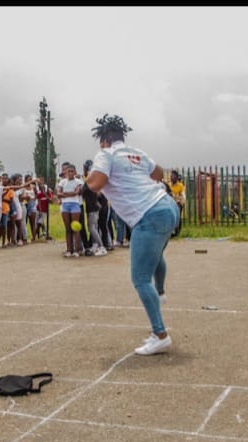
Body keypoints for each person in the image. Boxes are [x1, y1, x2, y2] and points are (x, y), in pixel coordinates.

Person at [85, 114, 179, 355]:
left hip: (149, 214)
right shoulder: (136, 152)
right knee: (155, 256)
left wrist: (86, 178)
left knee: (140, 279)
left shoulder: (106, 154)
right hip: (168, 206)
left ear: (104, 140)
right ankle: (160, 292)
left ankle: (160, 335)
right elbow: (158, 174)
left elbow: (95, 183)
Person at [56, 163, 84, 257]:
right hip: (65, 206)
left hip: (75, 205)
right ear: (66, 172)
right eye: (68, 171)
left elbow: (77, 192)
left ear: (74, 172)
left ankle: (76, 250)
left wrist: (64, 194)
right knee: (68, 229)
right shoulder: (62, 182)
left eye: (72, 171)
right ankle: (69, 250)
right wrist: (69, 194)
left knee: (75, 228)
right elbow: (58, 194)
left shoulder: (78, 181)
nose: (70, 173)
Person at [169, 170, 186, 237]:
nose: (170, 177)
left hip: (178, 204)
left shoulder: (180, 186)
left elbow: (183, 196)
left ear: (176, 177)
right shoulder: (168, 185)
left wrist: (179, 199)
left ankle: (177, 232)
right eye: (170, 176)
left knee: (177, 216)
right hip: (169, 204)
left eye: (172, 176)